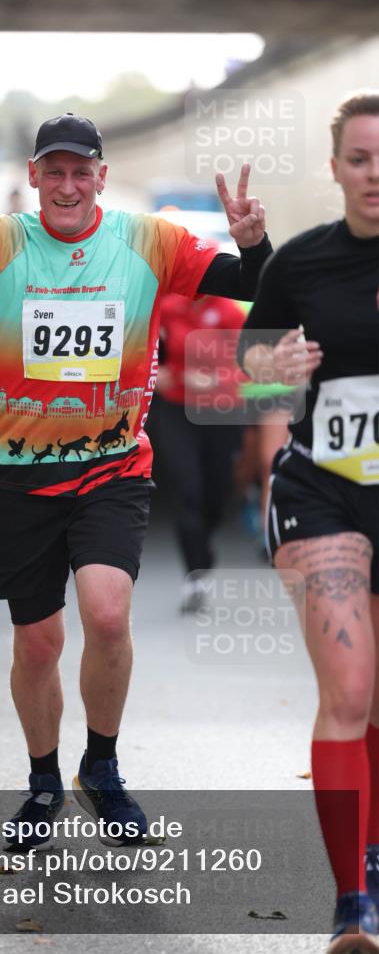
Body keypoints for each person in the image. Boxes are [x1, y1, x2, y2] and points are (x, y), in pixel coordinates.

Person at [0, 113, 270, 848]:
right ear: (32, 176)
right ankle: (44, 780)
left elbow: (250, 283)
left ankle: (103, 768)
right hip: (20, 476)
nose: (66, 184)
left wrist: (253, 242)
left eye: (80, 170)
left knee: (108, 616)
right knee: (38, 645)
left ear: (101, 178)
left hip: (112, 466)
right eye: (53, 171)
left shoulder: (147, 241)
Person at [237, 92, 379, 952]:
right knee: (350, 692)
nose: (375, 175)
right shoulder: (299, 262)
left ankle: (371, 853)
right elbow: (245, 369)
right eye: (359, 159)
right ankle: (349, 901)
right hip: (321, 487)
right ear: (334, 169)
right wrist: (271, 362)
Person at [149, 291, 247, 612]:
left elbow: (251, 363)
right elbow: (140, 346)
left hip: (221, 409)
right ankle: (195, 574)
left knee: (216, 493)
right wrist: (157, 373)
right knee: (187, 488)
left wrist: (217, 379)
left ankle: (202, 548)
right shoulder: (167, 307)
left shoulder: (230, 313)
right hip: (178, 408)